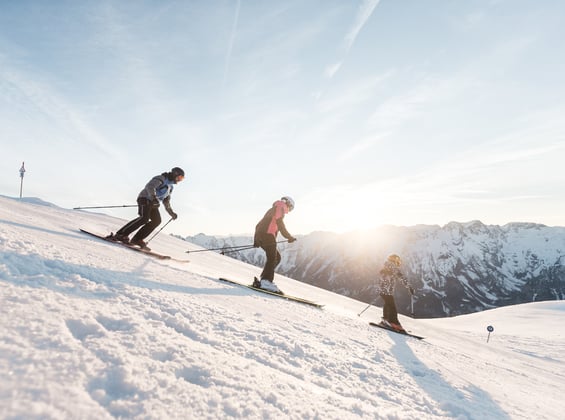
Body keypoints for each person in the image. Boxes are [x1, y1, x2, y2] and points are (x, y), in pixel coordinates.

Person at [108, 167, 185, 251]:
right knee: (144, 218)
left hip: (154, 203)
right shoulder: (161, 178)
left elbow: (166, 201)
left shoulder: (170, 187)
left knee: (157, 221)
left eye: (182, 179)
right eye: (180, 177)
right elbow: (150, 187)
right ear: (175, 174)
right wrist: (153, 198)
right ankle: (121, 235)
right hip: (145, 198)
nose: (179, 180)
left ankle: (137, 239)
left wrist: (171, 213)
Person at [253, 196, 297, 293]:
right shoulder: (280, 208)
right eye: (291, 208)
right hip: (268, 235)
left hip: (262, 235)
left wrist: (257, 239)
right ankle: (266, 281)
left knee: (277, 257)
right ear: (288, 204)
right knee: (272, 258)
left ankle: (264, 279)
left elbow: (259, 224)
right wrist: (288, 237)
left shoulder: (273, 209)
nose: (289, 211)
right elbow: (280, 223)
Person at [378, 254, 415, 332]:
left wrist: (382, 288)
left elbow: (383, 277)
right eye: (397, 260)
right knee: (392, 307)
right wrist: (409, 287)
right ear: (394, 260)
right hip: (387, 291)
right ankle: (394, 323)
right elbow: (402, 278)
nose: (398, 262)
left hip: (383, 290)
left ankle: (386, 320)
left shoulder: (386, 266)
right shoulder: (393, 267)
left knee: (387, 304)